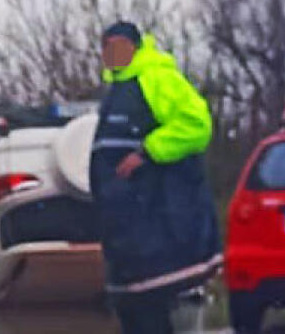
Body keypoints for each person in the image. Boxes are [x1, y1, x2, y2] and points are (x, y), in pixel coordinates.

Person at [90, 21, 221, 334]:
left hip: (162, 232)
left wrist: (148, 152)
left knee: (158, 315)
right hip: (131, 243)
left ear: (136, 47)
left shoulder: (156, 78)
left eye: (119, 45)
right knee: (136, 314)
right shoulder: (116, 91)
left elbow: (196, 125)